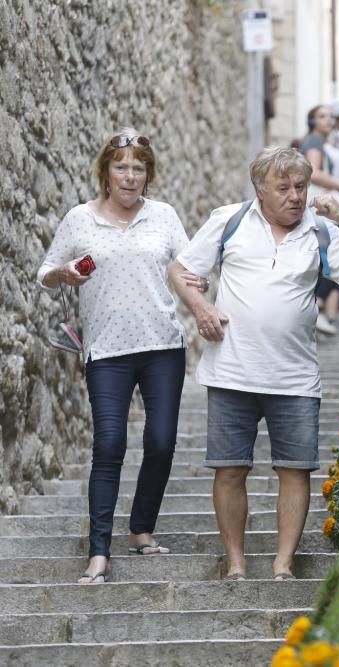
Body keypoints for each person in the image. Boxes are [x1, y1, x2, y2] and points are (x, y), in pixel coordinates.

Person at [169, 147, 339, 580]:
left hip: (295, 376)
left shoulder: (320, 230)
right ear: (259, 191)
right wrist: (201, 308)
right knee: (229, 469)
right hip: (232, 370)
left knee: (295, 469)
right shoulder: (229, 220)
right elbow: (181, 269)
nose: (295, 196)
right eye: (283, 188)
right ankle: (235, 563)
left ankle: (283, 564)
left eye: (301, 187)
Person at [37, 129, 206, 584]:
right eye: (121, 167)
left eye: (138, 168)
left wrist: (200, 288)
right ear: (105, 172)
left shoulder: (164, 216)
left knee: (162, 441)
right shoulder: (79, 219)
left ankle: (141, 528)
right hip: (107, 350)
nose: (130, 176)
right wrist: (63, 273)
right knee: (109, 445)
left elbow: (186, 265)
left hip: (163, 346)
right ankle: (98, 552)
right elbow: (44, 273)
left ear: (147, 175)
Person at [300, 104, 339, 333]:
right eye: (321, 116)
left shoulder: (321, 142)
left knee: (334, 252)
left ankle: (327, 313)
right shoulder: (314, 141)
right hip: (320, 204)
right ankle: (319, 305)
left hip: (320, 203)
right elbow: (313, 171)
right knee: (335, 251)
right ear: (312, 121)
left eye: (330, 117)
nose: (328, 120)